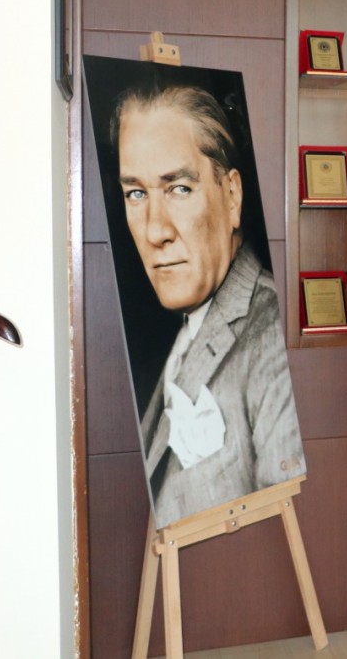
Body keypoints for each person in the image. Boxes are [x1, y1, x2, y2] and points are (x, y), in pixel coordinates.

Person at [113, 82, 304, 529]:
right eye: (136, 194)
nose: (155, 231)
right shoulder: (187, 332)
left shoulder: (266, 337)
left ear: (232, 195)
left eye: (179, 188)